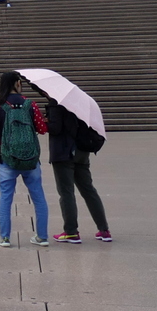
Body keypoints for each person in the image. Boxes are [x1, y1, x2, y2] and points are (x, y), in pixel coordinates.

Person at [0, 72, 50, 248]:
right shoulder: (30, 104)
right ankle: (42, 236)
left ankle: (5, 238)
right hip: (31, 159)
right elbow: (42, 129)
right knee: (38, 197)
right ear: (17, 83)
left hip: (7, 158)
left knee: (5, 198)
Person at [41, 95, 111, 243]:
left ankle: (71, 231)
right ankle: (104, 229)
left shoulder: (56, 103)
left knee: (66, 193)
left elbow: (56, 128)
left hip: (63, 153)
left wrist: (44, 121)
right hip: (81, 151)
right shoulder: (78, 101)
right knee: (88, 190)